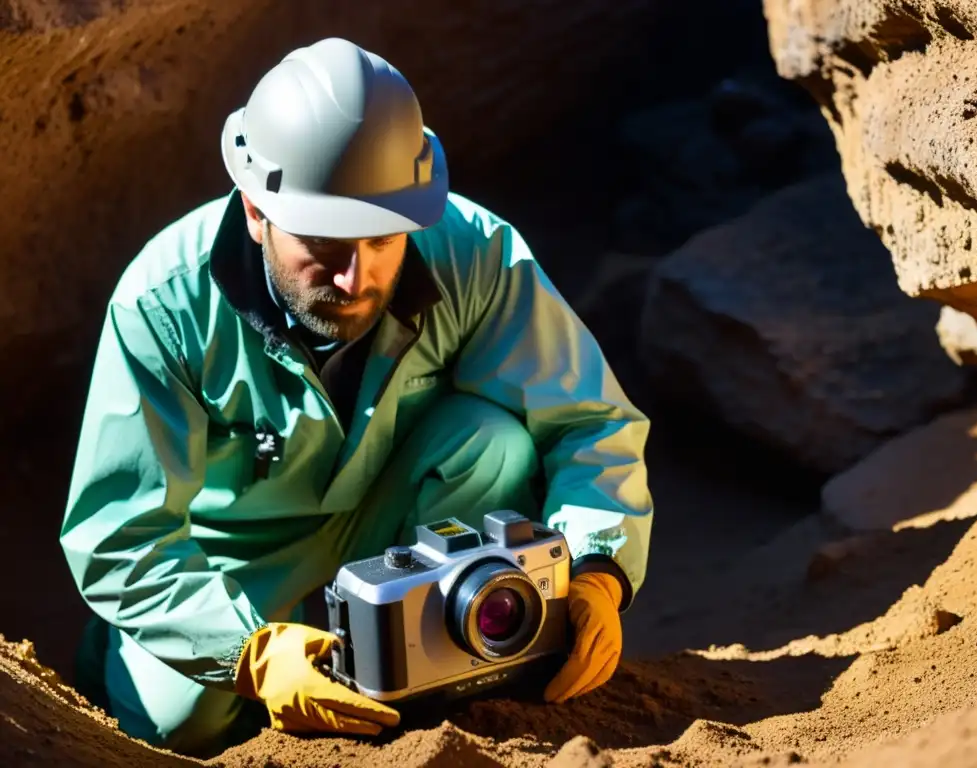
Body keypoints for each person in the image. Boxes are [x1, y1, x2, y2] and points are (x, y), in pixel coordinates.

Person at [59, 37, 653, 758]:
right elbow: (118, 536)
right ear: (255, 210)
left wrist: (596, 569)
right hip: (232, 562)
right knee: (181, 724)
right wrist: (249, 653)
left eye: (382, 239)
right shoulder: (162, 305)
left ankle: (431, 670)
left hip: (399, 532)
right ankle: (114, 653)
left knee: (494, 443)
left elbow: (589, 423)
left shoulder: (478, 253)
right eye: (326, 242)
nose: (355, 277)